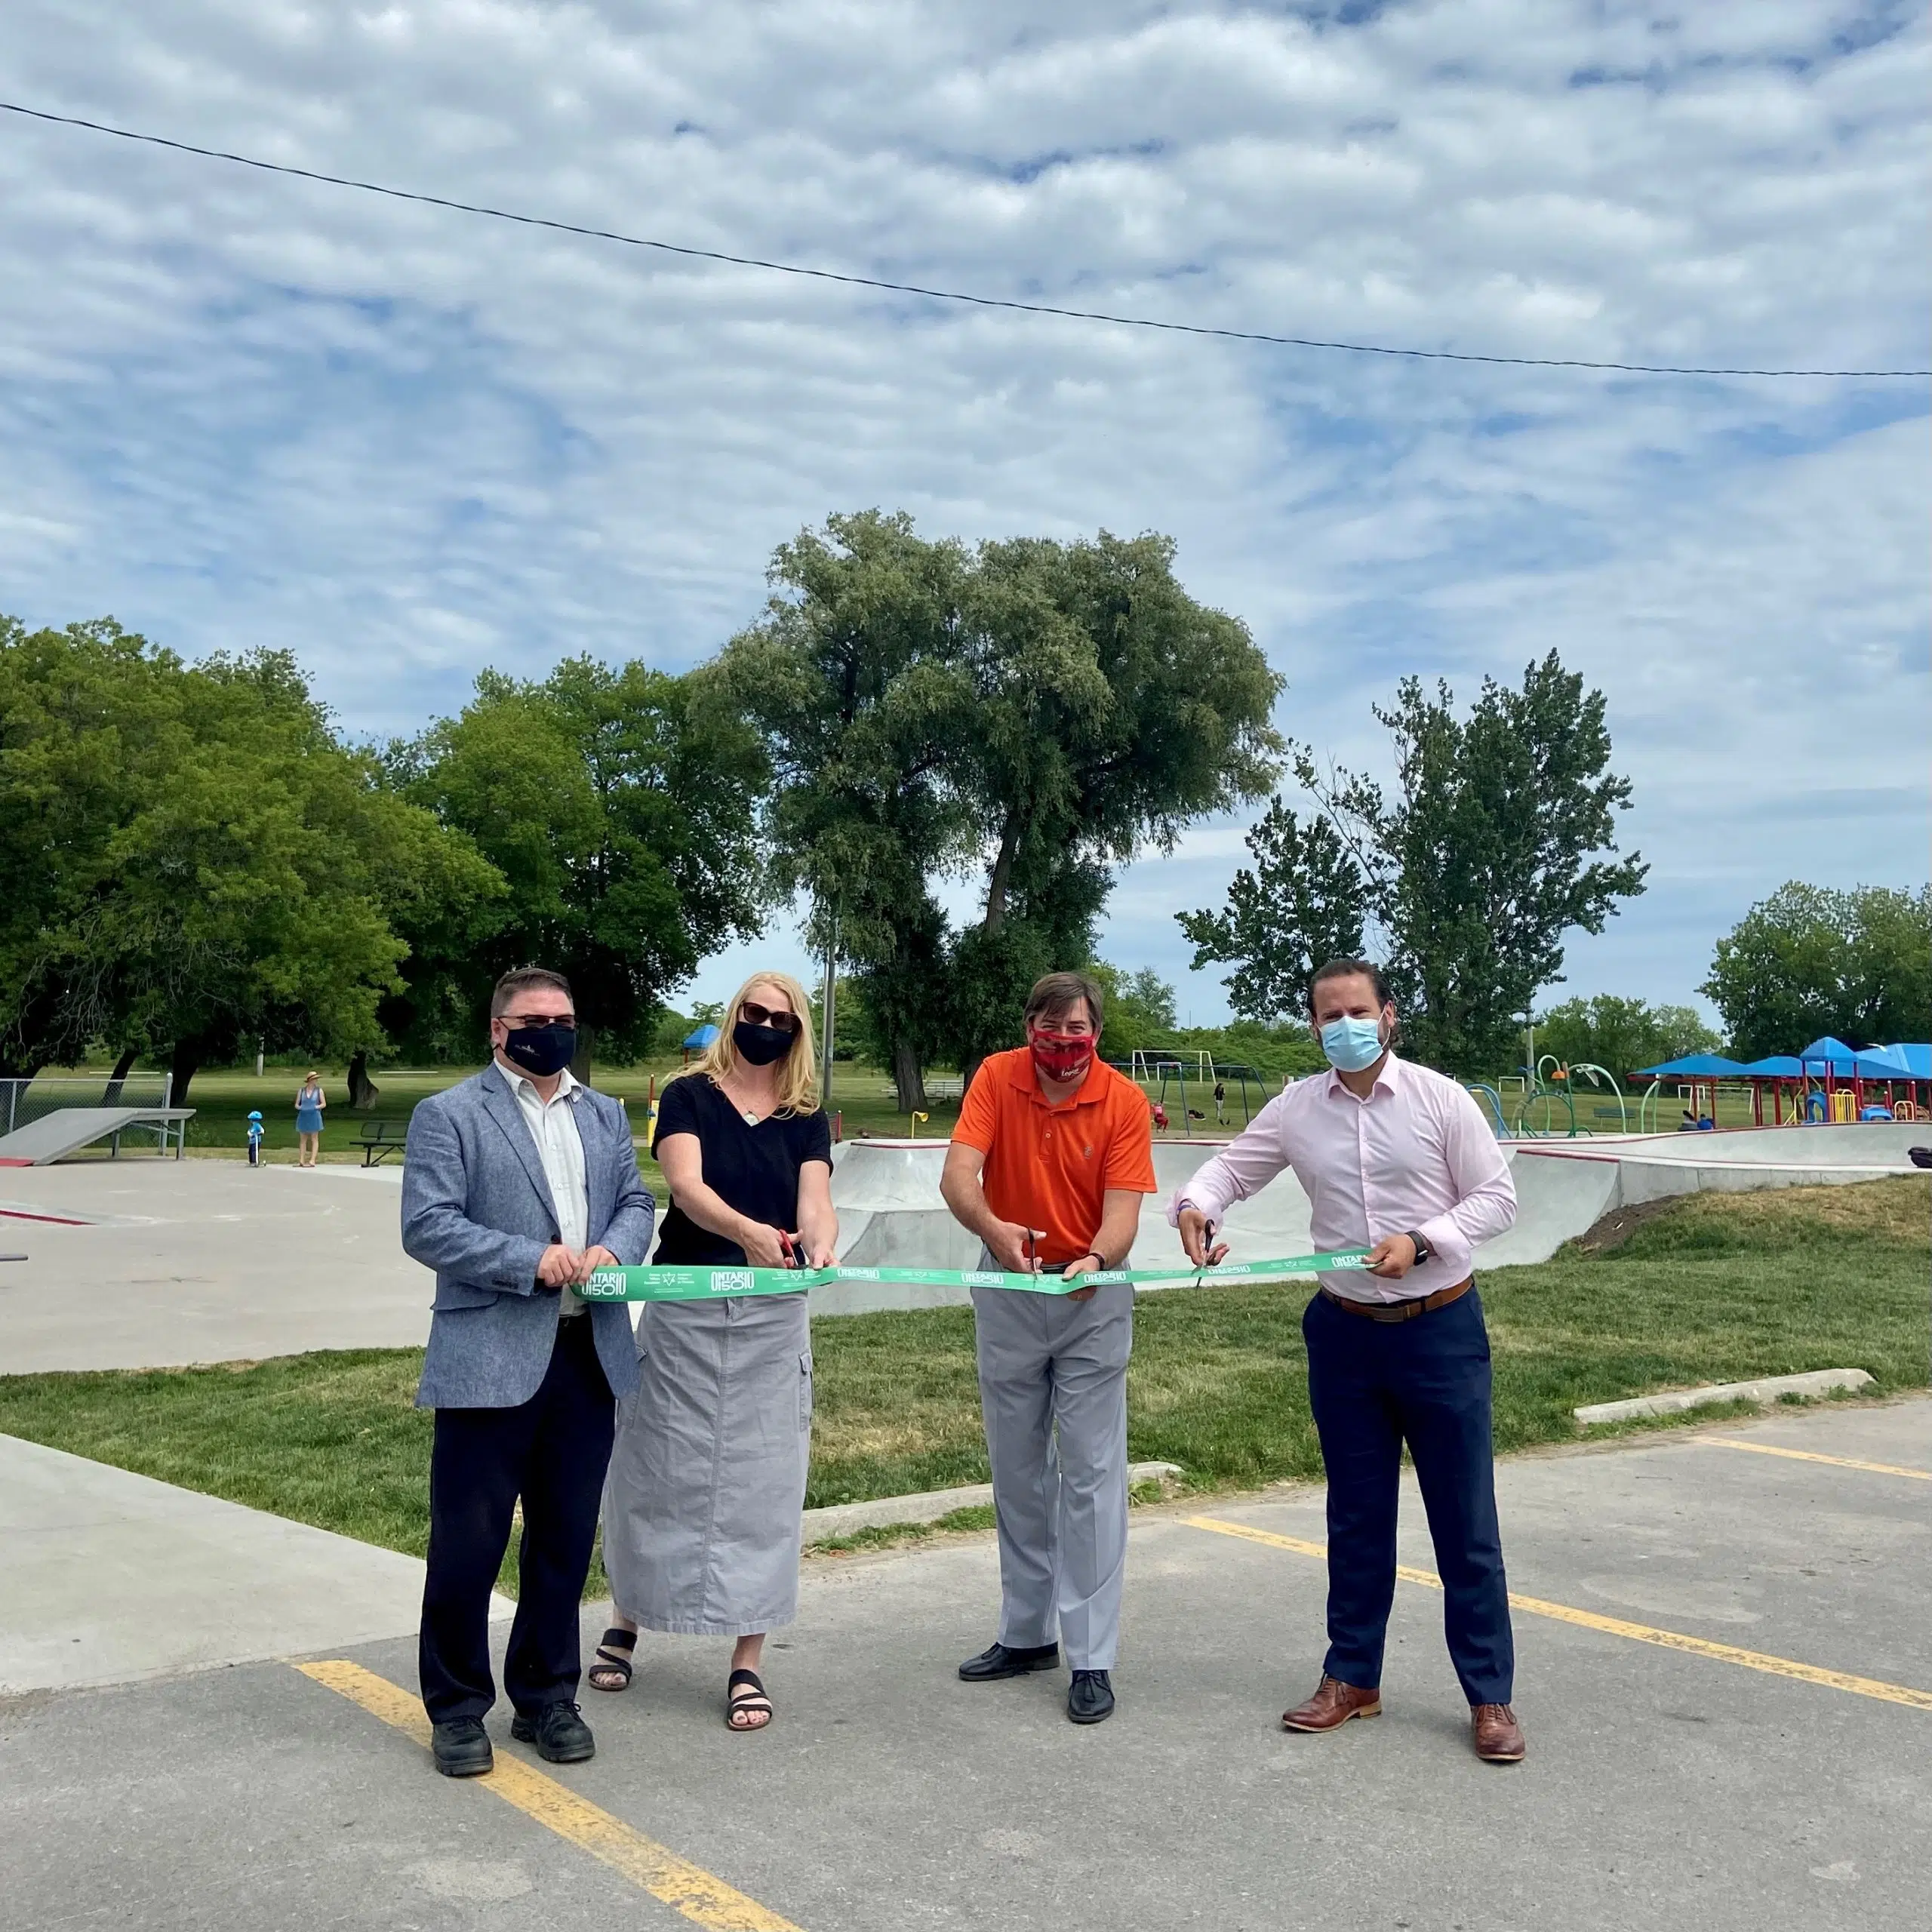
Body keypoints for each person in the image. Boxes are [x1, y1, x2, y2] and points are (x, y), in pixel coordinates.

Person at [1173, 958, 1525, 1764]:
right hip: (1344, 1335)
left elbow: (1497, 1198)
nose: (1344, 1025)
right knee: (1356, 1514)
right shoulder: (1298, 1107)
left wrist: (1423, 1239)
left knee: (1464, 1520)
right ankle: (1352, 1676)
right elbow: (1231, 1168)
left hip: (1439, 1328)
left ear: (1390, 1015)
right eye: (1328, 1014)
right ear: (1312, 1026)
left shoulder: (1439, 1099)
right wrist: (1197, 1205)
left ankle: (1489, 1693)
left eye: (1357, 1009)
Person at [401, 966, 655, 1779]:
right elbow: (429, 1225)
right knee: (468, 1544)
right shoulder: (448, 1115)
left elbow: (636, 1202)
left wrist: (614, 1246)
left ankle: (547, 1696)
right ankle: (457, 1708)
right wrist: (529, 1260)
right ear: (497, 1029)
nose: (552, 1027)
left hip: (588, 1356)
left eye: (565, 1016)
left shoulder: (605, 1112)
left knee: (563, 1542)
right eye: (534, 1016)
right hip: (488, 1359)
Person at [596, 973, 835, 1733]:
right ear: (733, 1017)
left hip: (772, 1315)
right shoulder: (688, 1094)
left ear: (797, 1033)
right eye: (753, 1013)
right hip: (686, 1303)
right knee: (652, 1464)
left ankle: (747, 1659)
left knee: (763, 1480)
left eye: (781, 1019)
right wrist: (746, 1234)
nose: (765, 1024)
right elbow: (686, 1187)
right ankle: (628, 1616)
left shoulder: (807, 1117)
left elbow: (815, 1203)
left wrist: (819, 1243)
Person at [939, 971, 1157, 1726]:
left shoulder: (1123, 1101)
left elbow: (1124, 1212)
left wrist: (1095, 1260)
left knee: (1092, 1474)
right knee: (1018, 1467)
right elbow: (958, 1174)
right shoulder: (998, 1077)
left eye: (1078, 1034)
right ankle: (1027, 1633)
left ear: (1097, 1034)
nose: (1063, 1046)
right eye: (1050, 1030)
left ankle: (1091, 1654)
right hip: (1008, 1289)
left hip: (1092, 1298)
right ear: (1028, 1023)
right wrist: (993, 1230)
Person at [294, 1071, 326, 1168]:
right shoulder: (302, 1091)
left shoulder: (319, 1091)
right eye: (314, 1079)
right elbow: (296, 1104)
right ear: (310, 1080)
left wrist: (315, 1107)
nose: (316, 1081)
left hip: (314, 1116)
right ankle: (302, 1160)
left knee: (314, 1138)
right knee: (303, 1139)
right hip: (303, 1116)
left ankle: (312, 1160)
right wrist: (301, 1108)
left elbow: (324, 1104)